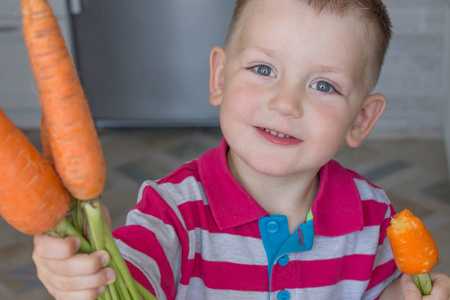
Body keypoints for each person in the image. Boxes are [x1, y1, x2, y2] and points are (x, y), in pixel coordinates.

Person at [32, 0, 450, 299]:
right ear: (219, 77)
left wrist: (408, 293)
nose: (286, 103)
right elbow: (131, 275)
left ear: (361, 118)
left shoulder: (374, 216)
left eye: (324, 85)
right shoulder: (173, 211)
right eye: (263, 69)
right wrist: (84, 272)